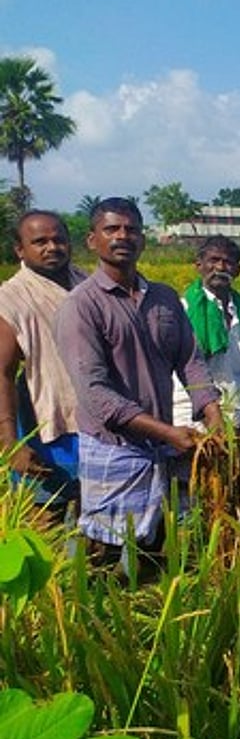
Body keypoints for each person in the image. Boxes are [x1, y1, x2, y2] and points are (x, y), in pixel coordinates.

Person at [55, 197, 222, 569]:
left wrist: (213, 414)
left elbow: (190, 361)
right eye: (111, 229)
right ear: (92, 240)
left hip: (162, 446)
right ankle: (102, 623)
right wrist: (167, 432)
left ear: (143, 239)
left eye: (131, 229)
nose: (122, 236)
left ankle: (156, 617)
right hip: (112, 446)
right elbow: (96, 395)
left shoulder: (163, 297)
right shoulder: (81, 305)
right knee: (106, 551)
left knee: (160, 544)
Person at [0, 210, 88, 521]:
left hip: (97, 425)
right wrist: (10, 443)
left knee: (99, 536)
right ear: (20, 250)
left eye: (59, 239)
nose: (52, 247)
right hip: (47, 427)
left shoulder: (88, 285)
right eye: (40, 241)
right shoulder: (11, 297)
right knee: (43, 527)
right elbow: (3, 374)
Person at [173, 235, 240, 433]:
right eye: (214, 260)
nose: (220, 268)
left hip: (234, 420)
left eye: (228, 262)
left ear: (238, 270)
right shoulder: (181, 310)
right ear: (199, 265)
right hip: (189, 422)